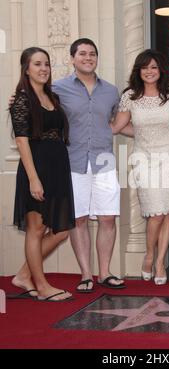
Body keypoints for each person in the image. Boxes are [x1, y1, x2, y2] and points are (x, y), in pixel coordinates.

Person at [52, 38, 125, 291]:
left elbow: (117, 121)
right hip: (73, 162)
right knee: (79, 219)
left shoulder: (111, 91)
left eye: (92, 53)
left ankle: (104, 273)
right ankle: (85, 274)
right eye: (82, 53)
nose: (88, 57)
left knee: (108, 219)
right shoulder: (58, 89)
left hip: (104, 161)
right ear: (72, 58)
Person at [9, 47, 75, 302]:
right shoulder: (23, 99)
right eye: (37, 64)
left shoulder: (52, 96)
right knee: (36, 229)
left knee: (60, 230)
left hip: (57, 168)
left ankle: (24, 276)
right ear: (26, 68)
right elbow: (22, 141)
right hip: (35, 169)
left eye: (46, 63)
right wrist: (34, 178)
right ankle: (42, 285)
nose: (43, 68)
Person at [111, 49, 169, 285]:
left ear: (160, 70)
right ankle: (149, 253)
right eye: (145, 67)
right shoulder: (129, 96)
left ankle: (159, 261)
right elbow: (117, 126)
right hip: (144, 158)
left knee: (167, 210)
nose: (149, 72)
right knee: (156, 211)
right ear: (138, 71)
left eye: (154, 67)